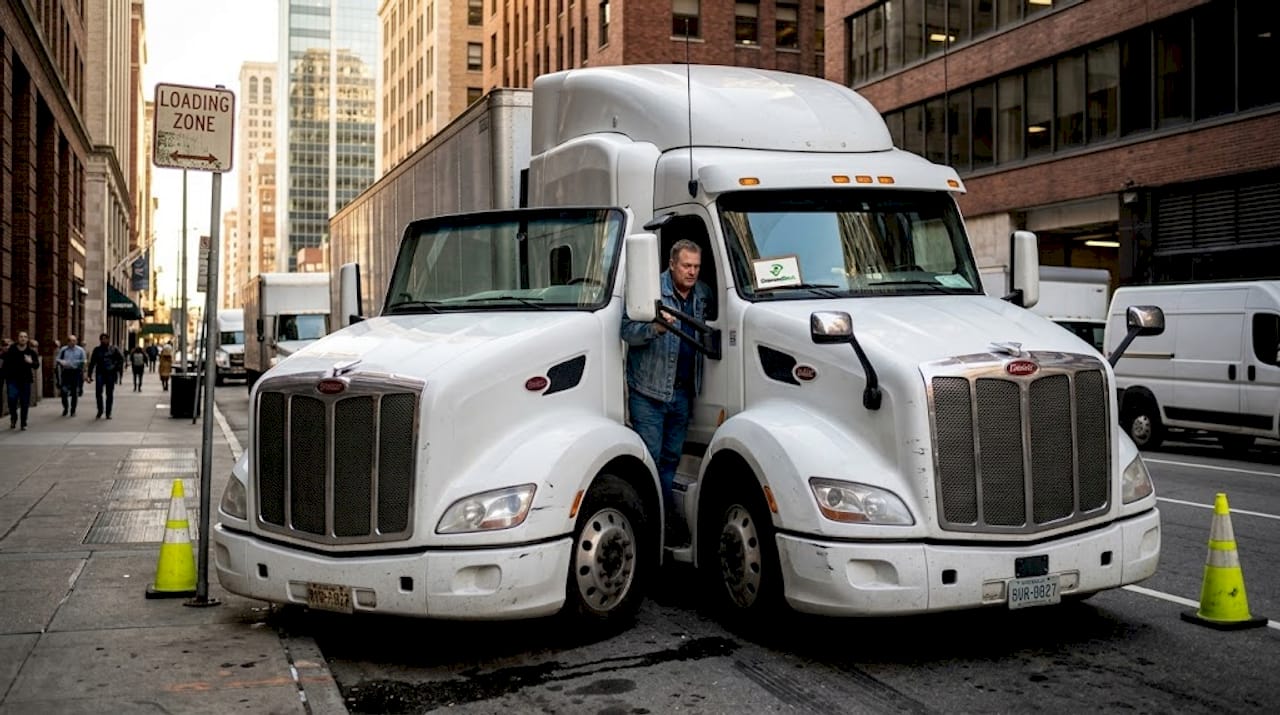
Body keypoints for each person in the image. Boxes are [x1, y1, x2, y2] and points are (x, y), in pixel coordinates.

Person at [620, 239, 712, 545]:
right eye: (686, 266)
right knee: (651, 461)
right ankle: (658, 528)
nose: (692, 272)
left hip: (683, 393)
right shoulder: (650, 291)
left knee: (672, 460)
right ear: (671, 264)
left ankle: (662, 525)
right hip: (648, 392)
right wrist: (654, 329)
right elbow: (625, 331)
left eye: (697, 267)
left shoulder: (702, 294)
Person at [3, 331, 40, 429]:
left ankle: (23, 422)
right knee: (12, 401)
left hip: (25, 380)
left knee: (24, 402)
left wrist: (30, 362)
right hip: (12, 381)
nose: (23, 338)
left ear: (27, 339)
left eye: (25, 337)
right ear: (17, 338)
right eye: (21, 336)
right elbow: (5, 364)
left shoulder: (31, 352)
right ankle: (13, 418)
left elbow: (36, 365)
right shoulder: (11, 350)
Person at [86, 333, 125, 419]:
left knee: (109, 393)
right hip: (100, 373)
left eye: (105, 339)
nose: (104, 340)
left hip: (110, 374)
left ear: (108, 340)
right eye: (102, 339)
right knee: (98, 393)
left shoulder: (113, 349)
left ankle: (108, 412)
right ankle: (100, 410)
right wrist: (89, 375)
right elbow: (92, 363)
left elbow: (121, 359)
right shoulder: (97, 350)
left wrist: (115, 367)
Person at [55, 334, 87, 416]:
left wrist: (84, 372)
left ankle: (73, 410)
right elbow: (58, 359)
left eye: (74, 340)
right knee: (64, 391)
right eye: (71, 341)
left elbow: (84, 361)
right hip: (66, 372)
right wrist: (61, 362)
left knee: (74, 392)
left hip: (76, 372)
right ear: (67, 342)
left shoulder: (80, 350)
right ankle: (65, 407)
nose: (73, 342)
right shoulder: (64, 350)